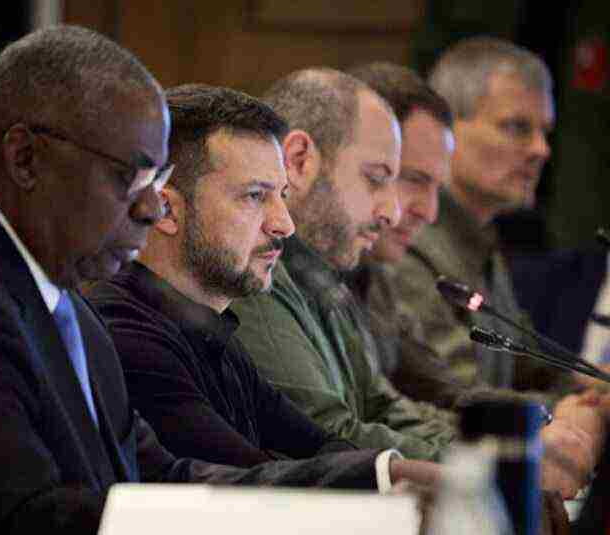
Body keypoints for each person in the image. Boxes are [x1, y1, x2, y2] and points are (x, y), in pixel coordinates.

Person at [0, 27, 396, 535]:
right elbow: (27, 520)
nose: (152, 207)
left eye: (158, 178)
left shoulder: (60, 295)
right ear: (25, 158)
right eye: (131, 175)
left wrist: (382, 482)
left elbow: (156, 477)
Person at [229, 68, 595, 498]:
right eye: (378, 178)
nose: (394, 211)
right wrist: (505, 459)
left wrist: (520, 443)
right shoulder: (255, 272)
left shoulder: (322, 272)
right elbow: (326, 433)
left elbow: (383, 405)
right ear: (298, 161)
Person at [86, 83, 438, 491]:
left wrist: (415, 475)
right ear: (166, 210)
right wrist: (397, 477)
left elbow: (320, 447)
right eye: (255, 196)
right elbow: (248, 484)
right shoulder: (126, 335)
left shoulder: (214, 333)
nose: (284, 224)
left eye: (282, 196)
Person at [390, 36, 567, 394]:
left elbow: (530, 367)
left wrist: (593, 389)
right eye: (517, 127)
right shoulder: (407, 239)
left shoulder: (481, 237)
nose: (541, 149)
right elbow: (460, 395)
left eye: (544, 132)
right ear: (445, 127)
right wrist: (570, 413)